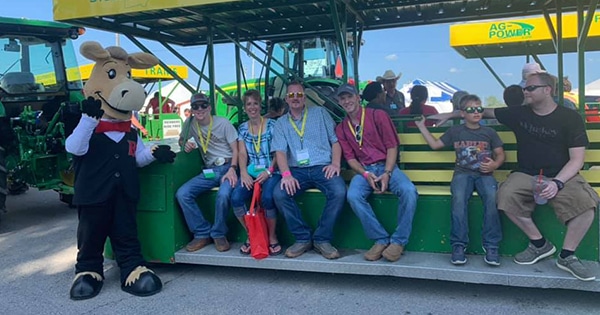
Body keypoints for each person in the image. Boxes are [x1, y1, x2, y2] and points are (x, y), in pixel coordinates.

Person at [430, 72, 599, 281]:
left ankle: (567, 255)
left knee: (586, 206)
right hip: (526, 173)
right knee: (503, 196)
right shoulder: (519, 113)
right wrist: (452, 114)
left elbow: (577, 160)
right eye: (524, 89)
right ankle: (539, 244)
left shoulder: (569, 117)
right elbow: (484, 111)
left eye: (530, 88)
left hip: (562, 174)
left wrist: (557, 183)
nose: (524, 92)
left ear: (547, 90)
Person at [415, 94, 505, 266]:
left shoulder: (489, 132)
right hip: (462, 173)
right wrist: (421, 126)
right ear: (462, 113)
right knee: (458, 201)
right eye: (471, 109)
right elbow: (435, 145)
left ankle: (492, 245)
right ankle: (458, 245)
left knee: (492, 199)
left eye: (479, 109)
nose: (476, 112)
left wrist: (495, 165)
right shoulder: (455, 131)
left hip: (485, 174)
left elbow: (500, 154)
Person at [335, 83, 418, 262]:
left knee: (409, 191)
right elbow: (350, 159)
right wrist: (365, 174)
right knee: (353, 195)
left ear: (358, 97)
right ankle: (380, 239)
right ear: (339, 102)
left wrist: (387, 173)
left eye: (350, 96)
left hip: (387, 166)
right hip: (365, 170)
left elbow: (392, 146)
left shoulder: (378, 115)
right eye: (342, 98)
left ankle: (398, 241)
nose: (347, 101)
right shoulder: (341, 128)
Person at [271, 82, 346, 259]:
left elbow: (335, 141)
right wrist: (286, 175)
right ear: (286, 100)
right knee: (279, 194)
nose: (295, 98)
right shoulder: (281, 123)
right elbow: (280, 152)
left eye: (299, 95)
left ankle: (322, 239)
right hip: (297, 170)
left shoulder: (320, 113)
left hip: (322, 167)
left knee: (339, 191)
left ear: (304, 97)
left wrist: (335, 164)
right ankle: (302, 238)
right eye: (291, 95)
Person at [176, 92, 239, 253]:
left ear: (209, 107)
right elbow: (181, 139)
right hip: (209, 170)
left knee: (224, 194)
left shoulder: (223, 123)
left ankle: (219, 233)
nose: (200, 109)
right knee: (182, 193)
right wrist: (185, 143)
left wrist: (233, 169)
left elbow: (236, 149)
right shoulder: (190, 123)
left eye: (203, 105)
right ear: (192, 109)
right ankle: (202, 232)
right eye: (195, 106)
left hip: (227, 166)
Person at [231, 90, 282, 256]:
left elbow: (278, 152)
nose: (252, 107)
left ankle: (272, 236)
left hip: (271, 171)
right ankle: (251, 234)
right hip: (252, 171)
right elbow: (242, 153)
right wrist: (243, 172)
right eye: (248, 104)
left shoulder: (272, 126)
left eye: (255, 103)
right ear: (245, 108)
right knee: (236, 198)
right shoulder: (243, 129)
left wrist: (269, 170)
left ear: (260, 105)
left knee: (268, 197)